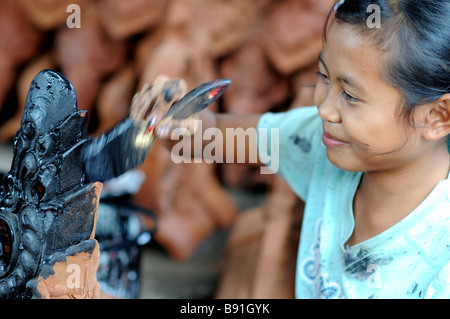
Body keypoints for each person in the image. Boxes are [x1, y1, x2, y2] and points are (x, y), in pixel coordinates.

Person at [130, 0, 450, 299]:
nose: (324, 108)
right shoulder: (316, 140)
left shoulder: (441, 256)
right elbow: (207, 137)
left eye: (350, 95)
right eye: (322, 77)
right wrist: (176, 118)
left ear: (437, 116)